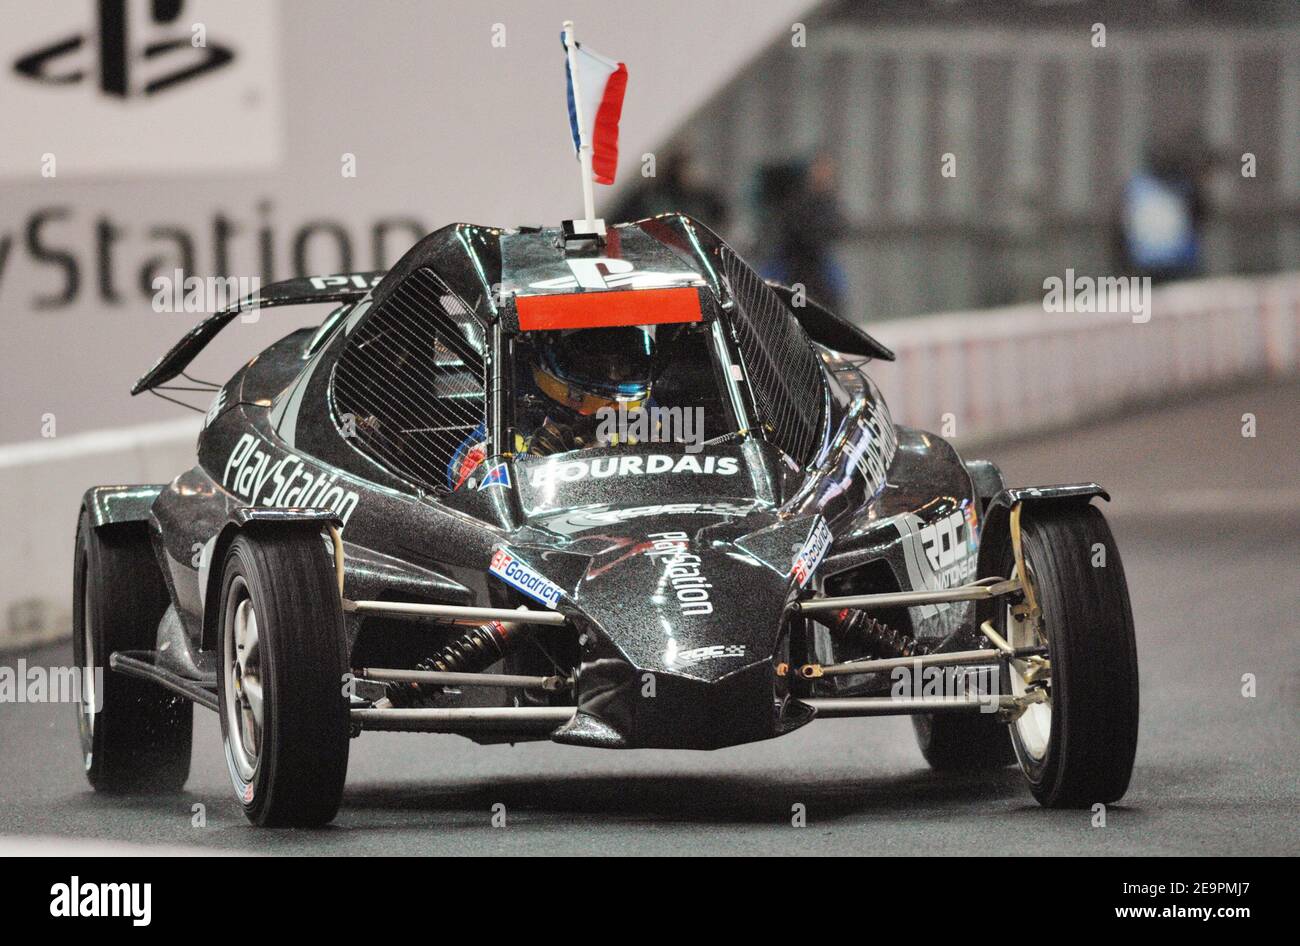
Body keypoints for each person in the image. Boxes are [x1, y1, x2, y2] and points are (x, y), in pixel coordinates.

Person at [448, 326, 657, 489]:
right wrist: (533, 466)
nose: (614, 376)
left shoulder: (648, 417)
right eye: (595, 363)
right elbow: (469, 486)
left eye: (625, 367)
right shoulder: (511, 422)